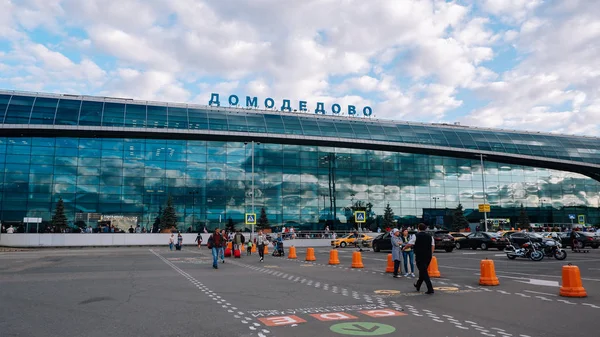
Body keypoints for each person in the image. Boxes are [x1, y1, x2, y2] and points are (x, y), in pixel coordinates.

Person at [403, 223, 435, 294]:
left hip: (420, 256)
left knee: (424, 272)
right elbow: (432, 245)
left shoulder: (415, 235)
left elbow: (410, 244)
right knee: (423, 271)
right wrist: (431, 253)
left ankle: (430, 289)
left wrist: (404, 248)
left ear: (418, 228)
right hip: (428, 256)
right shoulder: (430, 236)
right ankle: (418, 285)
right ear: (425, 228)